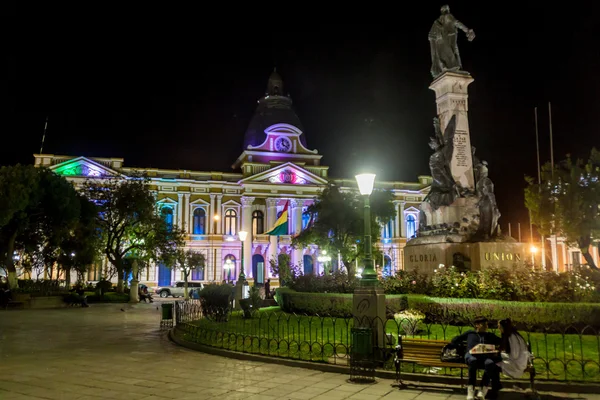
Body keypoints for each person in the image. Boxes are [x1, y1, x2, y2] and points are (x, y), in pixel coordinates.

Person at [451, 316, 501, 400]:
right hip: (471, 355)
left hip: (484, 357)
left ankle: (482, 389)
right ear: (477, 325)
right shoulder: (470, 333)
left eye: (486, 324)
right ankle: (471, 389)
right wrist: (460, 347)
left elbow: (502, 342)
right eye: (483, 324)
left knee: (490, 363)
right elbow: (454, 340)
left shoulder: (489, 335)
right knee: (472, 360)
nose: (486, 326)